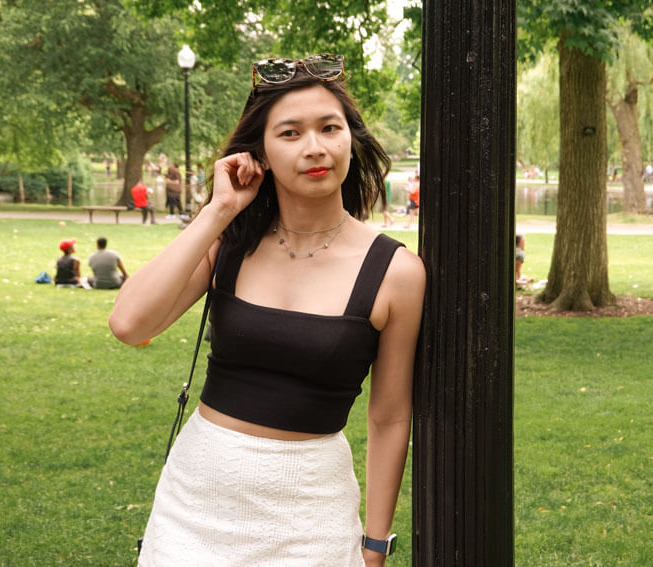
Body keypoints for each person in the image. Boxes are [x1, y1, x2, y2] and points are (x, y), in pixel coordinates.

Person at [109, 54, 426, 566]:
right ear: (260, 152)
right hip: (196, 503)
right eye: (290, 133)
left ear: (352, 138)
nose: (315, 148)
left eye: (329, 127)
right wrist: (218, 212)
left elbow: (389, 416)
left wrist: (374, 541)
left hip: (312, 512)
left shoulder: (396, 272)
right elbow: (129, 324)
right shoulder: (230, 240)